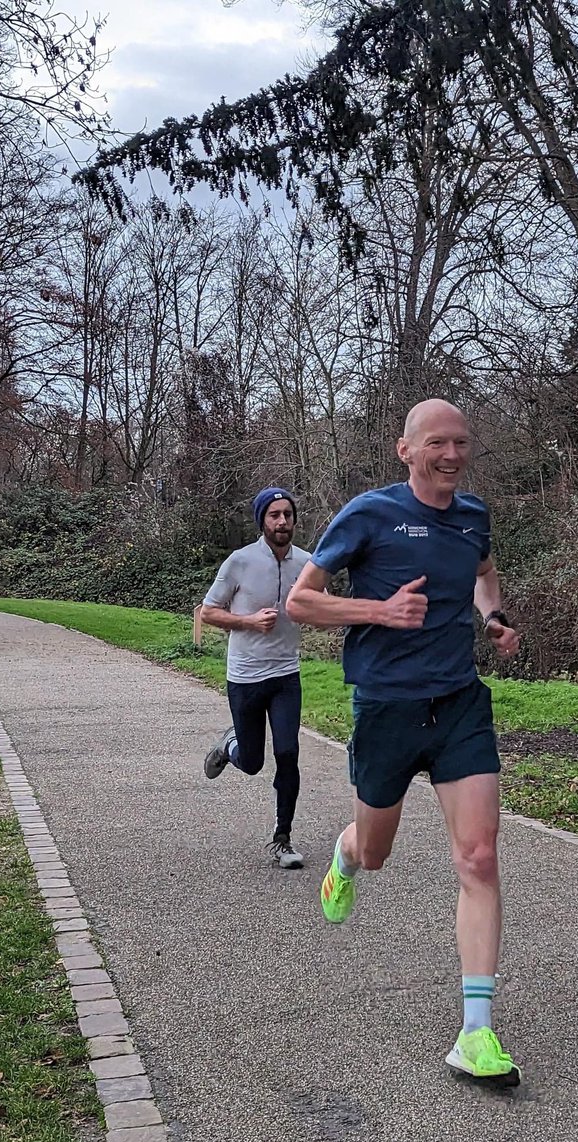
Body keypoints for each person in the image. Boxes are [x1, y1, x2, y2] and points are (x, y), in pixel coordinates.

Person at [286, 398, 522, 1080]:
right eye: (437, 444)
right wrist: (378, 612)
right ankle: (346, 853)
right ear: (406, 450)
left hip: (459, 706)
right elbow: (303, 601)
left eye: (461, 443)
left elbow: (482, 572)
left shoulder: (473, 517)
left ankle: (476, 1032)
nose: (452, 455)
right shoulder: (369, 514)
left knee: (478, 858)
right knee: (377, 851)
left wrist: (495, 616)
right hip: (387, 709)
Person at [201, 488, 311, 868]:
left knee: (288, 753)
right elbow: (208, 612)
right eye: (274, 515)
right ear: (262, 521)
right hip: (245, 676)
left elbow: (322, 604)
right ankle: (230, 745)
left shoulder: (308, 563)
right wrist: (247, 621)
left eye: (287, 515)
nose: (282, 522)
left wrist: (315, 608)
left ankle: (283, 839)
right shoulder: (240, 561)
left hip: (285, 674)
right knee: (252, 763)